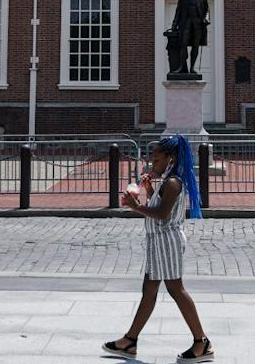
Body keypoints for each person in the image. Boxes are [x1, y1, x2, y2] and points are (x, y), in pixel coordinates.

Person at [104, 135, 213, 361]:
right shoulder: (166, 182)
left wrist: (136, 207)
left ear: (170, 159)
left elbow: (163, 214)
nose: (152, 162)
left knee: (176, 290)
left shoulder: (173, 182)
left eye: (156, 159)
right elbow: (159, 206)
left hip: (167, 241)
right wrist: (148, 189)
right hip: (159, 241)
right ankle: (130, 340)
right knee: (149, 290)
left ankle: (201, 342)